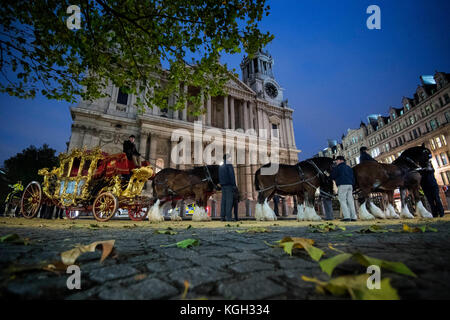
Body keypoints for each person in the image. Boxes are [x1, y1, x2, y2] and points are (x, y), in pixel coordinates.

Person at [331, 156, 357, 222]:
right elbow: (353, 177)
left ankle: (347, 217)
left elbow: (333, 176)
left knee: (342, 201)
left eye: (337, 160)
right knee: (350, 201)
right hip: (350, 185)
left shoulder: (338, 167)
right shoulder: (349, 167)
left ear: (340, 160)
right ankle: (353, 216)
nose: (336, 162)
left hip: (342, 184)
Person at [219, 154, 237, 221]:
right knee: (229, 201)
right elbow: (232, 176)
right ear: (228, 158)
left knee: (223, 201)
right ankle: (228, 217)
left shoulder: (221, 166)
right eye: (230, 158)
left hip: (223, 185)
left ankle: (222, 217)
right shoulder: (229, 165)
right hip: (229, 185)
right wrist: (234, 185)